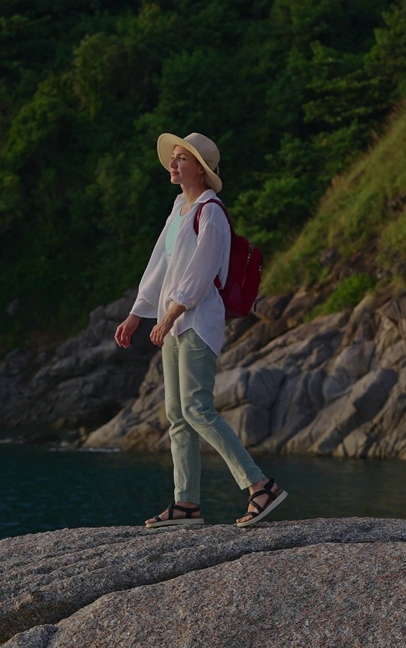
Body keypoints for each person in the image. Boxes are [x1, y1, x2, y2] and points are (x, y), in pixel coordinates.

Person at [113, 132, 288, 529]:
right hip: (171, 322)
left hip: (196, 321)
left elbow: (203, 270)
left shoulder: (210, 211)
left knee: (196, 408)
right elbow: (160, 263)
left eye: (181, 159)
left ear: (200, 168)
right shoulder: (179, 208)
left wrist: (171, 314)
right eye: (173, 159)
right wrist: (136, 315)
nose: (173, 165)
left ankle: (260, 486)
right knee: (177, 414)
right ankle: (186, 504)